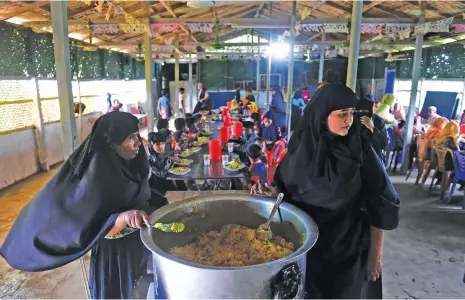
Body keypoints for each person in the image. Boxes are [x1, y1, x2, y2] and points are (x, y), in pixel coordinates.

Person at [0, 112, 167, 299]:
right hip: (115, 256)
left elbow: (142, 194)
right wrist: (121, 218)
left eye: (136, 135)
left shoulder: (135, 164)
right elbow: (88, 227)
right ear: (111, 142)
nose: (137, 143)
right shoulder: (94, 179)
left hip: (139, 245)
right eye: (130, 138)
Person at [267, 84, 399, 298]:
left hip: (347, 254)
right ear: (321, 115)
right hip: (306, 251)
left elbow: (380, 206)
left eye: (352, 113)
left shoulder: (360, 151)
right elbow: (286, 189)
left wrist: (375, 257)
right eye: (342, 114)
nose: (349, 119)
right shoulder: (301, 149)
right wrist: (275, 196)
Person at [356, 97, 390, 162]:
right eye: (359, 111)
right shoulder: (352, 119)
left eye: (366, 111)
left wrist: (372, 128)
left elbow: (384, 144)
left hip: (373, 159)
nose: (362, 114)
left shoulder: (378, 122)